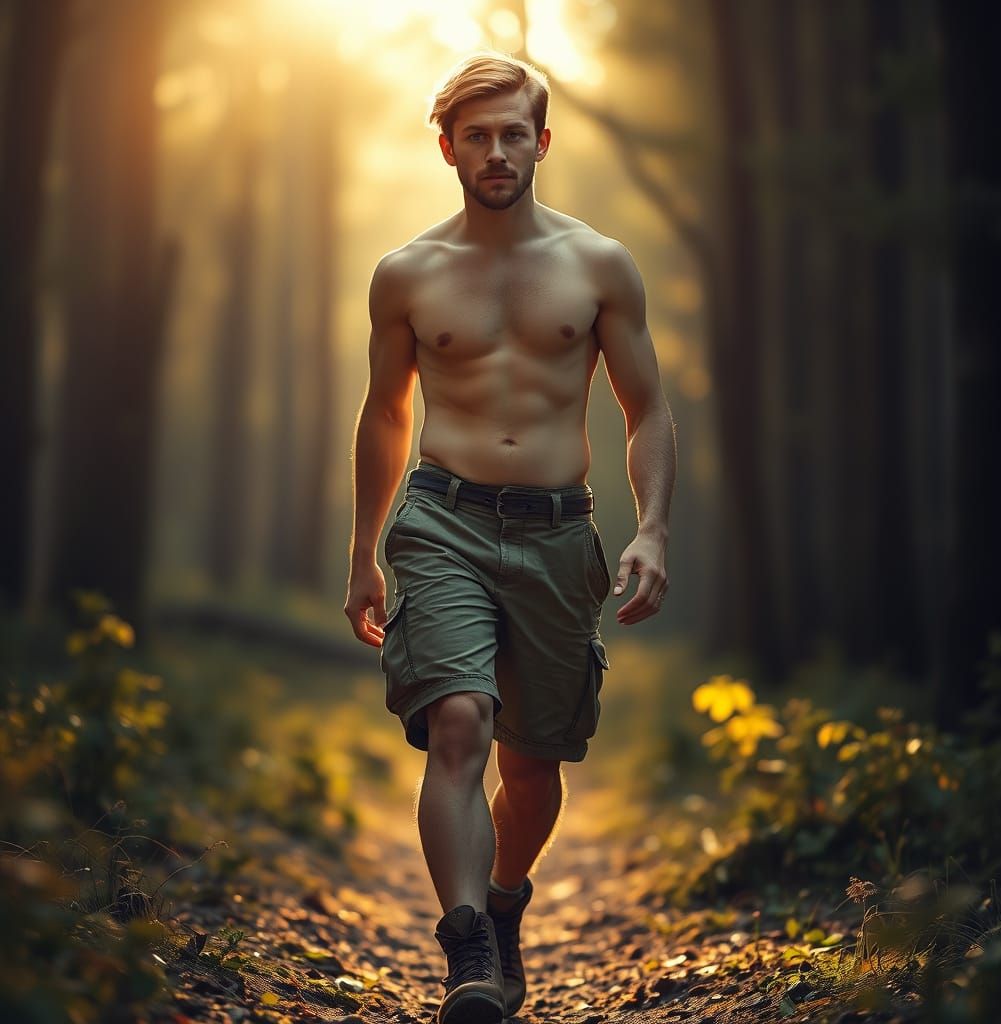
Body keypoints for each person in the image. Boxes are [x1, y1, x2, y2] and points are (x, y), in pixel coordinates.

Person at [344, 51, 676, 1024]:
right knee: (458, 724)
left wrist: (651, 527)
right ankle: (466, 956)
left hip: (556, 532)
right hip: (440, 517)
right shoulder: (405, 273)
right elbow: (380, 416)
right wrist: (364, 550)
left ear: (542, 141)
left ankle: (502, 900)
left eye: (513, 133)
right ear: (446, 147)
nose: (497, 151)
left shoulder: (599, 265)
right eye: (477, 135)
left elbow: (648, 408)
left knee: (531, 767)